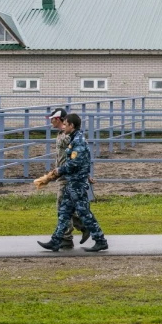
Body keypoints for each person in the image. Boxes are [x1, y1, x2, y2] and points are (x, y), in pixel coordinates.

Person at [38, 113, 109, 252]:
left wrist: (59, 171)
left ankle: (100, 240)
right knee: (64, 212)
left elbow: (74, 164)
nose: (63, 127)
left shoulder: (78, 141)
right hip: (72, 182)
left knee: (84, 213)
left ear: (72, 125)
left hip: (77, 183)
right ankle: (56, 241)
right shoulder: (73, 139)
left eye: (65, 124)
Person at [47, 108, 89, 249]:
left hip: (67, 175)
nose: (50, 121)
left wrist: (85, 174)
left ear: (58, 119)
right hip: (62, 174)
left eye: (52, 119)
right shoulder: (61, 134)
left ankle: (66, 237)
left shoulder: (68, 137)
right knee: (69, 207)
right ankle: (85, 226)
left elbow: (78, 157)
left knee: (62, 206)